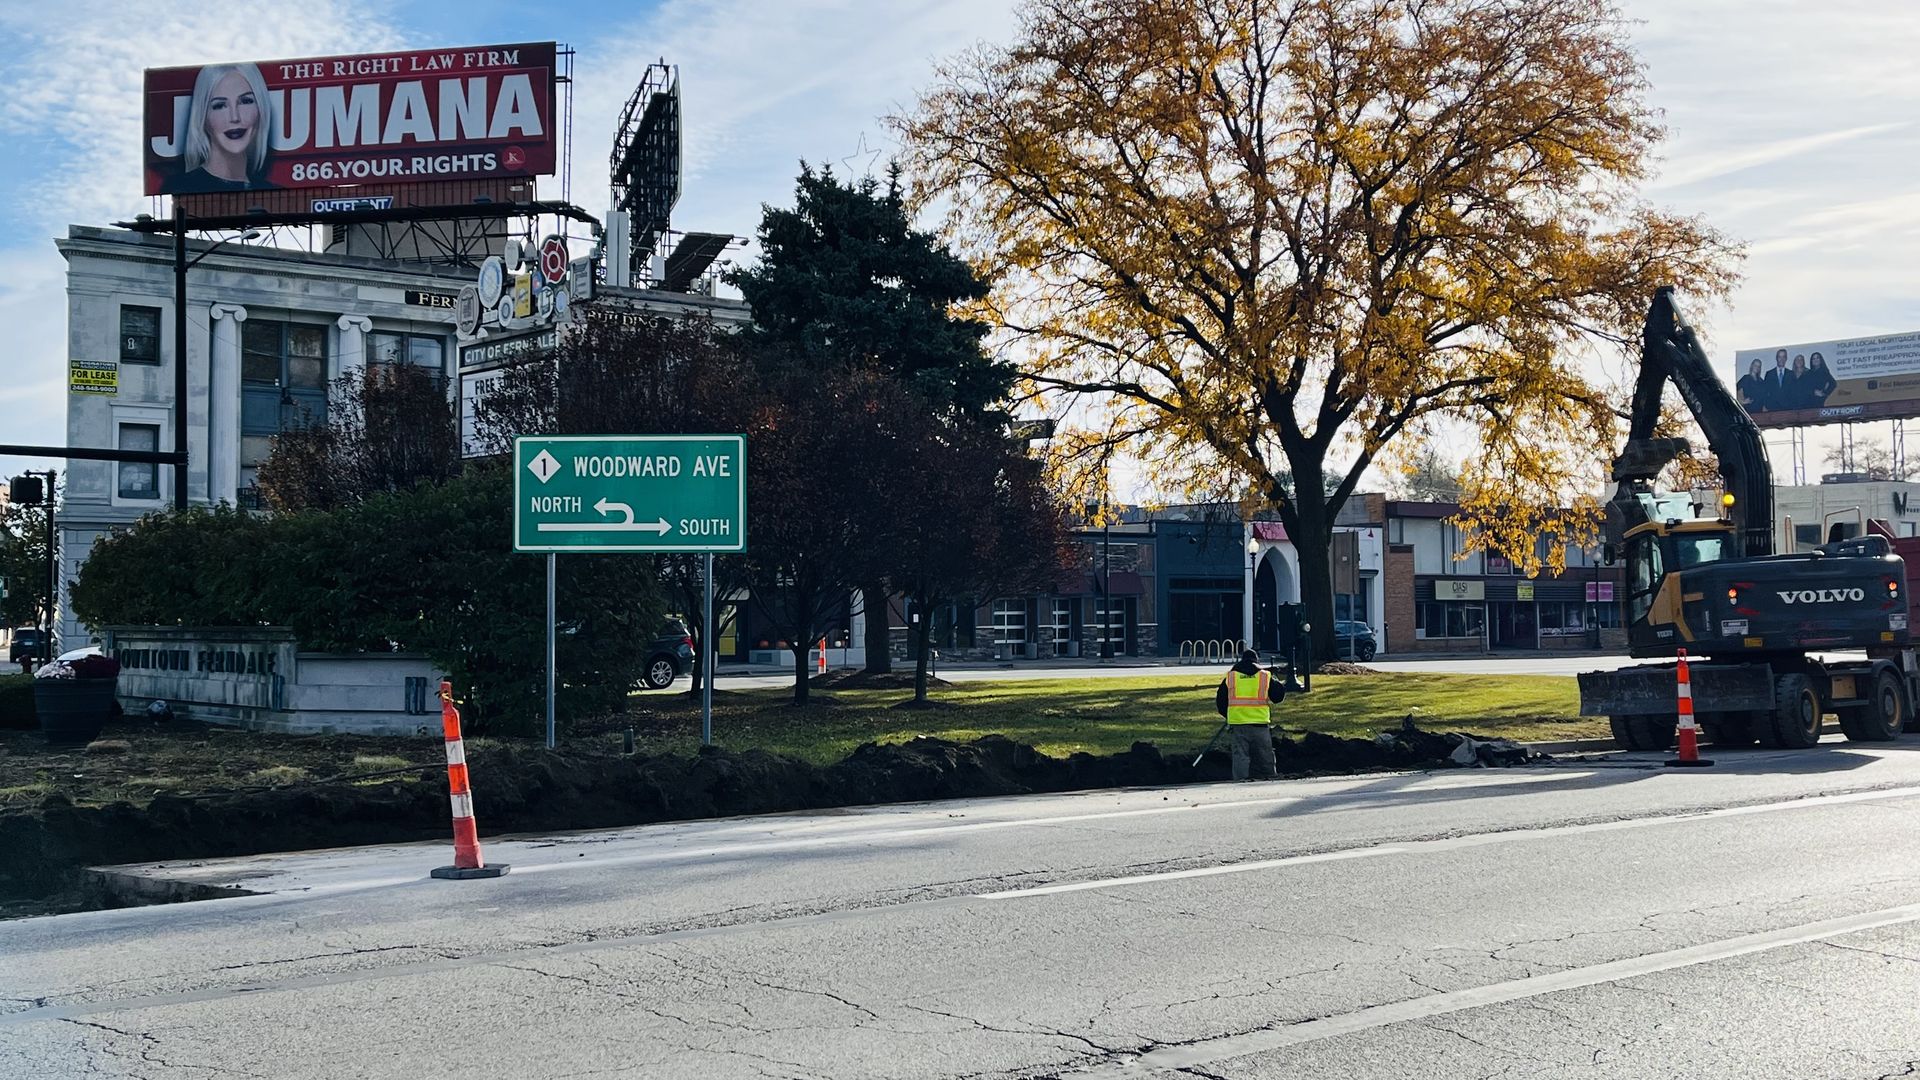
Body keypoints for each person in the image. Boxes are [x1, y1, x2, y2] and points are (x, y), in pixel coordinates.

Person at [161, 63, 275, 194]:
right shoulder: (179, 188)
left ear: (261, 109)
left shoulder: (273, 193)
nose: (235, 117)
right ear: (202, 116)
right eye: (219, 105)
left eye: (246, 101)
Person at [1213, 649, 1287, 780]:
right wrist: (1277, 680)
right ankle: (1270, 780)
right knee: (1265, 756)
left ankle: (1240, 782)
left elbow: (1221, 702)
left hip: (1238, 725)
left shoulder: (1231, 677)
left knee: (1240, 757)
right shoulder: (1264, 676)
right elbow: (1278, 697)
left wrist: (1230, 715)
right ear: (1257, 661)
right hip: (1260, 724)